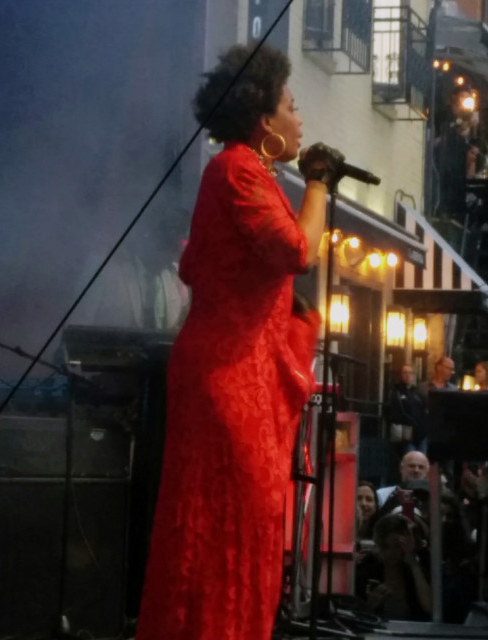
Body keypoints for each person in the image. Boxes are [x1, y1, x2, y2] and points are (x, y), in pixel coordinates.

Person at [135, 44, 344, 640]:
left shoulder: (247, 173)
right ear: (263, 118)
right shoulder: (236, 170)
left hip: (236, 369)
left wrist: (289, 310)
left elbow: (247, 271)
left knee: (244, 525)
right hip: (228, 375)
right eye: (292, 106)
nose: (301, 119)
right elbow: (295, 251)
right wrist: (320, 184)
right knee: (227, 524)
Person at [355, 513, 432, 620]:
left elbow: (429, 607)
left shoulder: (414, 570)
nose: (392, 552)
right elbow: (355, 615)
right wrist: (370, 605)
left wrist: (413, 563)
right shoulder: (366, 569)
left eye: (398, 546)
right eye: (386, 546)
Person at [388, 363, 428, 453]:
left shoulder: (417, 392)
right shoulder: (396, 393)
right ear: (400, 375)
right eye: (405, 372)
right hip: (407, 436)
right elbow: (395, 413)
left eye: (410, 373)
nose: (407, 375)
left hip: (421, 436)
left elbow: (424, 410)